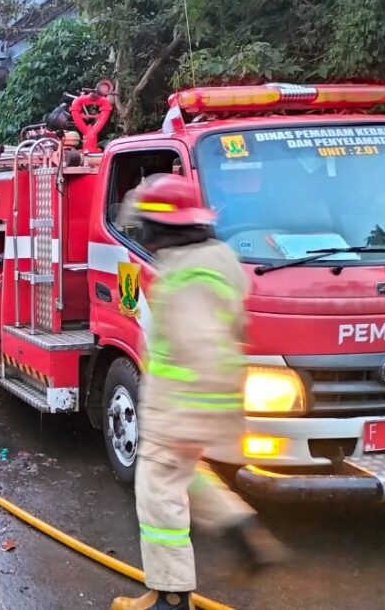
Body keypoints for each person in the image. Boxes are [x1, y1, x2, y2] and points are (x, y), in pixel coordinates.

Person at [113, 174, 287, 610]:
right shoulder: (218, 259)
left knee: (158, 494)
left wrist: (180, 408)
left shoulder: (189, 275)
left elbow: (199, 345)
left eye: (148, 225)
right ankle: (238, 524)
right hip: (206, 400)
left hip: (183, 403)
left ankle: (170, 597)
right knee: (183, 474)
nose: (144, 235)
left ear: (166, 226)